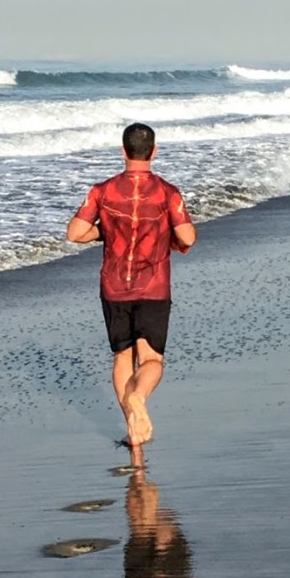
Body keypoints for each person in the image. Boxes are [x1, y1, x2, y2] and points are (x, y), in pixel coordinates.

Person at [66, 123, 196, 446]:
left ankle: (133, 431)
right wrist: (169, 239)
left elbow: (74, 233)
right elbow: (188, 237)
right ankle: (139, 395)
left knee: (123, 357)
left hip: (114, 287)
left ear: (123, 152)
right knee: (152, 360)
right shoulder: (168, 192)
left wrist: (105, 231)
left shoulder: (103, 191)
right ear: (154, 152)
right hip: (153, 286)